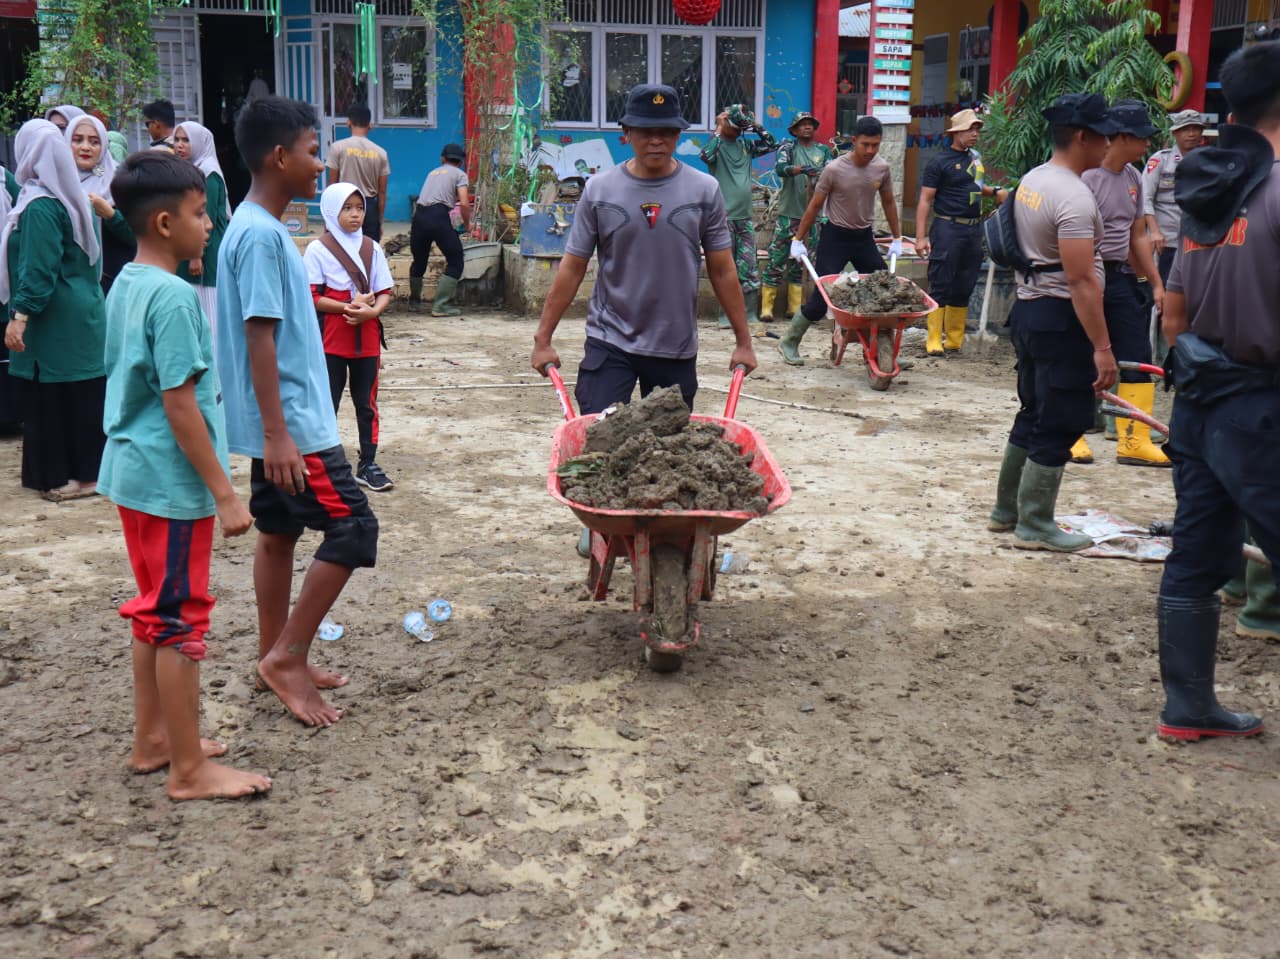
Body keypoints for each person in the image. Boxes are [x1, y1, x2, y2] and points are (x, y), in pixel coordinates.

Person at [98, 151, 271, 800]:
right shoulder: (173, 298)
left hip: (133, 473)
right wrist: (225, 493)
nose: (209, 225)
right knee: (179, 619)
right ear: (167, 223)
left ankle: (157, 740)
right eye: (202, 215)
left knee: (153, 613)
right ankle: (189, 771)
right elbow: (178, 402)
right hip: (170, 484)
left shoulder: (127, 281)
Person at [214, 96, 379, 728]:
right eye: (314, 152)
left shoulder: (259, 228)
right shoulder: (259, 236)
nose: (322, 165)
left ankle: (271, 652)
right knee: (355, 529)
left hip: (278, 421)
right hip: (293, 425)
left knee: (279, 530)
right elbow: (259, 335)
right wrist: (280, 434)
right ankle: (287, 657)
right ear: (279, 156)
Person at [1154, 42, 1280, 741]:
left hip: (1198, 397)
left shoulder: (1209, 190)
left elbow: (1172, 314)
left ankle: (1188, 705)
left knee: (1196, 556)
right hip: (1262, 402)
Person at [530, 82, 757, 413]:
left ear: (679, 134)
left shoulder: (704, 190)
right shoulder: (599, 190)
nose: (656, 140)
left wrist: (744, 343)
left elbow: (723, 269)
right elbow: (573, 266)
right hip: (610, 340)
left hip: (675, 346)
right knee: (601, 442)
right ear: (626, 132)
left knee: (666, 454)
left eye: (666, 131)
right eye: (646, 131)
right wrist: (543, 339)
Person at [985, 93, 1119, 551]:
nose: (1109, 143)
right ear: (1083, 136)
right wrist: (1103, 347)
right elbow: (1081, 280)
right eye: (1104, 135)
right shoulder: (1074, 197)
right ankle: (1035, 524)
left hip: (1028, 310)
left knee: (1033, 409)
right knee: (1060, 419)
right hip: (1061, 316)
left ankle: (1006, 511)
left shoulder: (1033, 180)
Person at [0, 119, 109, 501]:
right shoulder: (66, 197)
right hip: (80, 314)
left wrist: (20, 316)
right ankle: (74, 473)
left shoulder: (42, 205)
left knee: (65, 397)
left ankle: (82, 477)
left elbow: (39, 269)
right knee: (73, 394)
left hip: (58, 319)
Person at [1071, 100, 1168, 468]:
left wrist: (1156, 283)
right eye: (1143, 138)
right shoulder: (1086, 176)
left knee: (1136, 353)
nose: (1147, 145)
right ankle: (1072, 432)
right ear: (1123, 137)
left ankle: (1134, 440)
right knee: (1078, 352)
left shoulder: (1133, 176)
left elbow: (1136, 237)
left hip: (1118, 276)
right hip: (1082, 275)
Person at [780, 115, 904, 366]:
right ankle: (790, 341)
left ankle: (884, 349)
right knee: (823, 296)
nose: (870, 150)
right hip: (835, 236)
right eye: (865, 144)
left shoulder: (881, 168)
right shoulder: (834, 169)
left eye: (875, 145)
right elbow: (815, 205)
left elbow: (889, 202)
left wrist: (897, 238)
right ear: (854, 140)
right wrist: (798, 239)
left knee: (885, 291)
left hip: (864, 237)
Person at [304, 183, 395, 492]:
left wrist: (371, 312)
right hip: (332, 339)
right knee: (326, 402)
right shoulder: (318, 249)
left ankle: (368, 463)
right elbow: (312, 295)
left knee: (366, 403)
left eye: (359, 208)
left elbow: (385, 291)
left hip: (367, 337)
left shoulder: (372, 247)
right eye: (347, 208)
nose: (355, 214)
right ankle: (326, 463)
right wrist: (347, 306)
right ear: (331, 211)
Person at [915, 108, 1008, 355]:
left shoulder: (975, 158)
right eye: (970, 129)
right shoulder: (939, 162)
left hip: (973, 229)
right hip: (947, 227)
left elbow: (975, 188)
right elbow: (925, 200)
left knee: (965, 282)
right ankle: (934, 338)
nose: (975, 134)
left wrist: (997, 191)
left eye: (977, 129)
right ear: (956, 133)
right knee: (941, 281)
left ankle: (954, 339)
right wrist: (921, 236)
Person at [699, 103, 778, 332]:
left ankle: (750, 312)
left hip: (745, 217)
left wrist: (756, 125)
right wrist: (718, 128)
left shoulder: (745, 145)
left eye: (741, 128)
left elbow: (771, 144)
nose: (738, 132)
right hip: (723, 217)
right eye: (735, 127)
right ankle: (725, 315)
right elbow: (705, 155)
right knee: (726, 267)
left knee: (749, 265)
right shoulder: (717, 147)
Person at [761, 111, 833, 323]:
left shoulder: (823, 151)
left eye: (810, 124)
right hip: (789, 214)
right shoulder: (788, 148)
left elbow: (831, 172)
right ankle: (767, 308)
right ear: (794, 130)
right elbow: (781, 169)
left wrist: (819, 173)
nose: (807, 127)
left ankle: (795, 308)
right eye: (802, 125)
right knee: (777, 259)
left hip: (813, 216)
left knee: (802, 263)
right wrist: (801, 169)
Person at [66, 113, 136, 296]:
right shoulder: (59, 184)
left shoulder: (120, 182)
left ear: (104, 146)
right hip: (70, 286)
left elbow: (137, 237)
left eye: (94, 142)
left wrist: (111, 215)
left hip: (112, 285)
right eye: (77, 140)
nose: (85, 147)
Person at [174, 120, 231, 332]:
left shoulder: (208, 173)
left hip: (204, 254)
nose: (179, 145)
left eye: (186, 140)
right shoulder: (190, 170)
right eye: (177, 140)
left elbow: (205, 217)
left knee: (208, 313)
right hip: (190, 249)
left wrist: (196, 256)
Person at [1142, 109, 1206, 287]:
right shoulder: (1161, 161)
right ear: (1175, 133)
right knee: (1164, 290)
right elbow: (1145, 198)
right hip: (1165, 240)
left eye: (1196, 129)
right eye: (1186, 129)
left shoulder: (1207, 162)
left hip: (1196, 241)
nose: (1191, 134)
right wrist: (1154, 231)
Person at [409, 143, 470, 316]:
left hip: (419, 216)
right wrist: (467, 224)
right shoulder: (460, 174)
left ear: (443, 158)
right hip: (439, 216)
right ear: (460, 162)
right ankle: (440, 306)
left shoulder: (432, 172)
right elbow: (464, 203)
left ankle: (414, 302)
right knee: (456, 259)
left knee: (419, 259)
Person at [324, 104, 389, 242]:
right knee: (369, 253)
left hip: (344, 205)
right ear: (370, 125)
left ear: (349, 122)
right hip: (369, 209)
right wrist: (379, 222)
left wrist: (328, 219)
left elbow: (332, 185)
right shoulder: (381, 153)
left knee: (342, 251)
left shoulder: (338, 147)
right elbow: (382, 192)